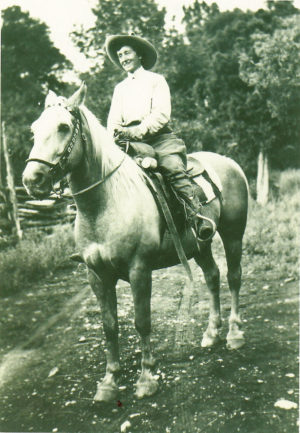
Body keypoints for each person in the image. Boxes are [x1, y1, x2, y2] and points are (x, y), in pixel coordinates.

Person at [105, 34, 215, 241]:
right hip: (128, 142)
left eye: (127, 52)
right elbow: (113, 121)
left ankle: (196, 216)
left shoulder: (156, 81)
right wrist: (114, 137)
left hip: (158, 139)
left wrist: (137, 131)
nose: (123, 58)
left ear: (139, 55)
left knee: (173, 167)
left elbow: (161, 114)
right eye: (120, 55)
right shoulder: (119, 89)